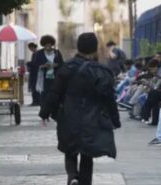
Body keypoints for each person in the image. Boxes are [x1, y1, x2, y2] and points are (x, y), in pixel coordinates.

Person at [39, 33, 121, 185]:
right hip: (92, 118)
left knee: (70, 150)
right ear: (95, 48)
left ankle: (72, 176)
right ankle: (84, 182)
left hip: (69, 116)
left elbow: (55, 92)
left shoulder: (66, 67)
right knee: (86, 154)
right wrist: (115, 120)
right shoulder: (102, 71)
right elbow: (109, 99)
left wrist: (45, 112)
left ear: (78, 47)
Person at [34, 35, 64, 109]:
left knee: (55, 94)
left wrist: (55, 65)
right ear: (43, 45)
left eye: (49, 44)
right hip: (44, 78)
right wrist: (43, 66)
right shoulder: (39, 53)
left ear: (52, 44)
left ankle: (54, 111)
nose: (48, 46)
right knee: (44, 95)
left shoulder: (57, 52)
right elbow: (36, 65)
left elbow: (62, 64)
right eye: (46, 44)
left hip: (55, 77)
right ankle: (44, 113)